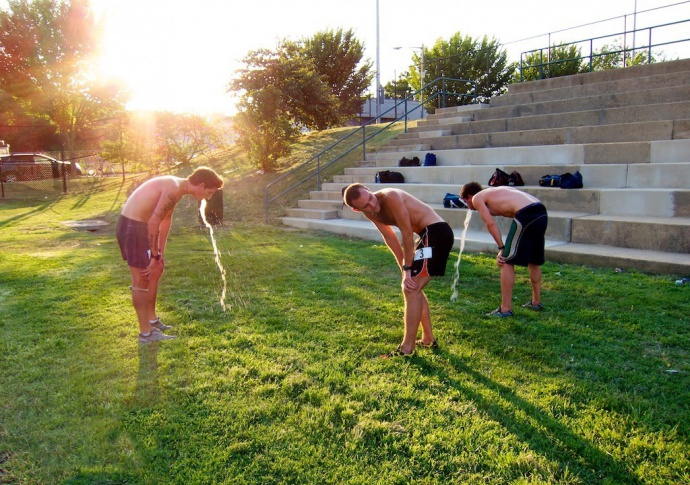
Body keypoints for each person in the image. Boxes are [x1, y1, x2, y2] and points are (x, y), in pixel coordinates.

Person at [342, 184, 455, 357]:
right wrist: (403, 267)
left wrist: (408, 267)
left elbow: (406, 233)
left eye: (371, 198)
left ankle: (407, 349)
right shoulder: (369, 211)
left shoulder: (391, 196)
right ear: (357, 209)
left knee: (411, 288)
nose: (372, 205)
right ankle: (427, 339)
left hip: (436, 233)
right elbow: (389, 236)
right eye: (366, 205)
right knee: (412, 286)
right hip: (425, 236)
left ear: (369, 190)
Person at [116, 167, 224, 342]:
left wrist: (160, 253)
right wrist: (153, 255)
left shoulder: (178, 189)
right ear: (201, 185)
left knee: (156, 270)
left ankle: (152, 320)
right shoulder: (173, 188)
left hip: (139, 227)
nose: (208, 197)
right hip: (132, 228)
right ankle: (146, 333)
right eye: (209, 192)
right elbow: (154, 221)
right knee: (141, 280)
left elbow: (165, 220)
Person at [459, 182, 548, 317]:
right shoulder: (495, 192)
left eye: (465, 201)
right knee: (534, 260)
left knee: (505, 260)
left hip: (526, 214)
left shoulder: (477, 198)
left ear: (469, 196)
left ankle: (505, 309)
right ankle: (536, 302)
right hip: (541, 211)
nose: (468, 206)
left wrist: (501, 248)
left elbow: (490, 223)